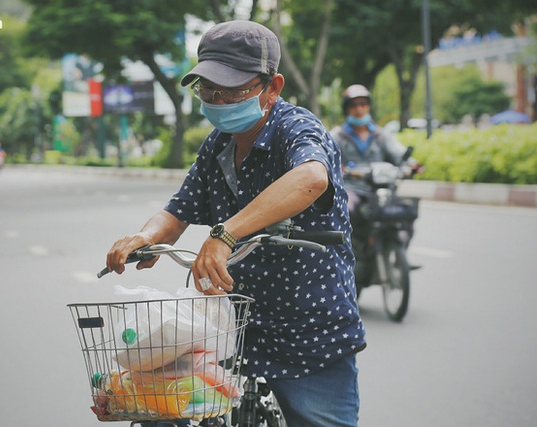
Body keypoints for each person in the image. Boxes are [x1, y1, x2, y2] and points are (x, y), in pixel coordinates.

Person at [106, 20, 365, 427]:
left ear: (272, 87)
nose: (217, 100)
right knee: (161, 409)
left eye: (230, 91)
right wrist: (145, 236)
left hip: (307, 329)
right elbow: (179, 210)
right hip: (233, 326)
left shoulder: (297, 127)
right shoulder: (218, 144)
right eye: (207, 90)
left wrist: (225, 235)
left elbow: (312, 178)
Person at [330, 84, 416, 233]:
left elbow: (398, 153)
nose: (359, 109)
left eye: (363, 104)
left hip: (381, 189)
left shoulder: (381, 135)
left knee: (405, 212)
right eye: (354, 105)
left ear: (368, 107)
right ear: (346, 109)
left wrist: (411, 165)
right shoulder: (337, 136)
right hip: (352, 189)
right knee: (344, 210)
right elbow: (325, 159)